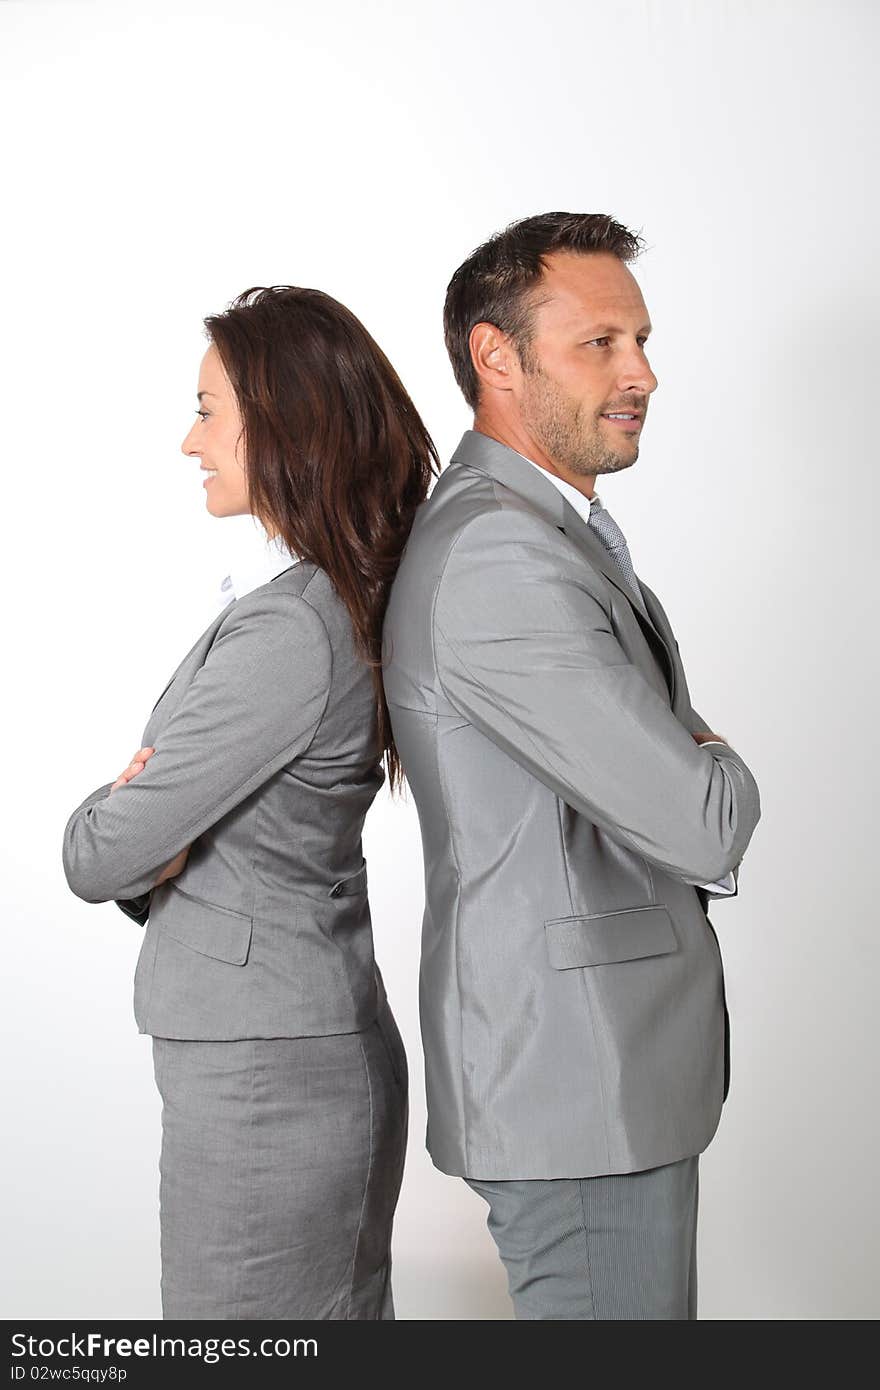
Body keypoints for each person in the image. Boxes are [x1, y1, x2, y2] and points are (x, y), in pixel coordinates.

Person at [381, 213, 762, 1320]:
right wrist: (710, 745)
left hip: (593, 1079)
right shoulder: (501, 553)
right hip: (575, 1085)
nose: (641, 372)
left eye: (640, 339)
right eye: (598, 342)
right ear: (494, 357)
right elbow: (703, 822)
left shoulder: (543, 531)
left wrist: (669, 731)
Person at [62, 285, 438, 1319]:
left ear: (283, 426)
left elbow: (97, 853)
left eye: (206, 410)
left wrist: (126, 820)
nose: (189, 441)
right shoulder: (327, 604)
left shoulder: (287, 633)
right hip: (286, 1049)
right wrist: (151, 833)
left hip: (267, 1076)